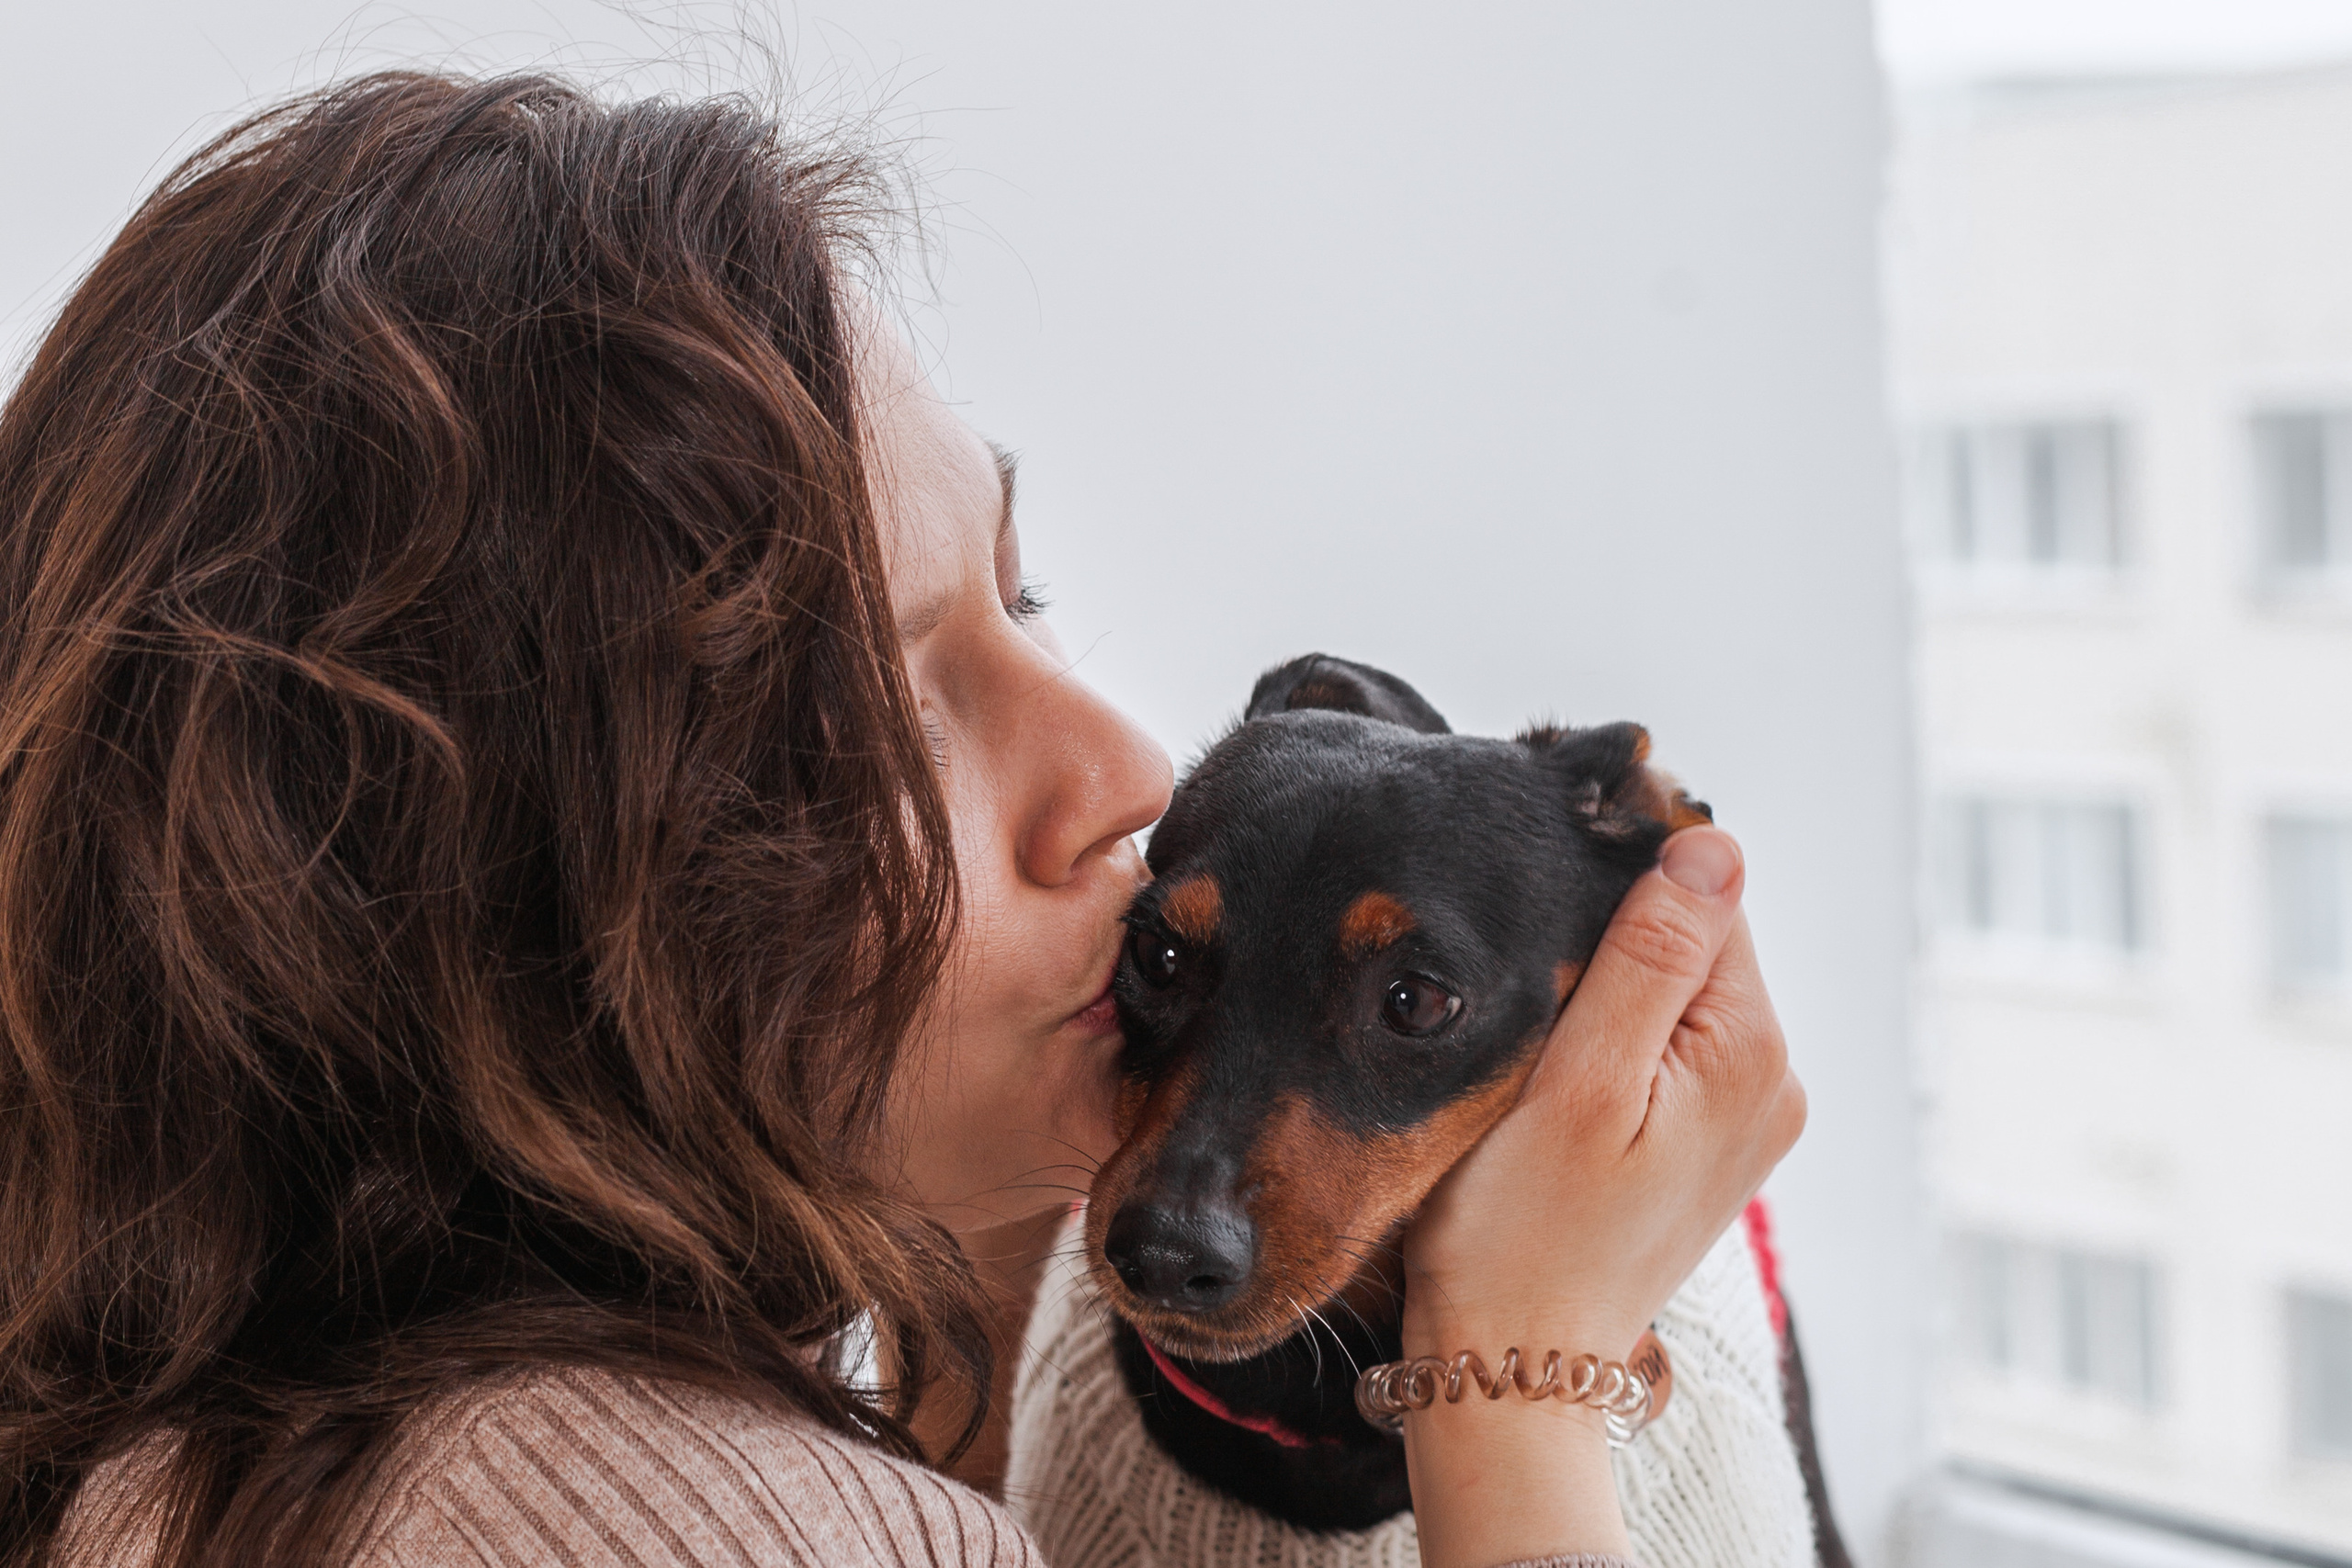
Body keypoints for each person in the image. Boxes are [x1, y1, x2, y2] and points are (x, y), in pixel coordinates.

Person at [0, 72, 1804, 1568]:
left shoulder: (212, 1423)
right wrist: (1517, 1380)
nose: (1123, 767)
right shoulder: (729, 1535)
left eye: (1019, 594)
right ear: (498, 909)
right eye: (878, 699)